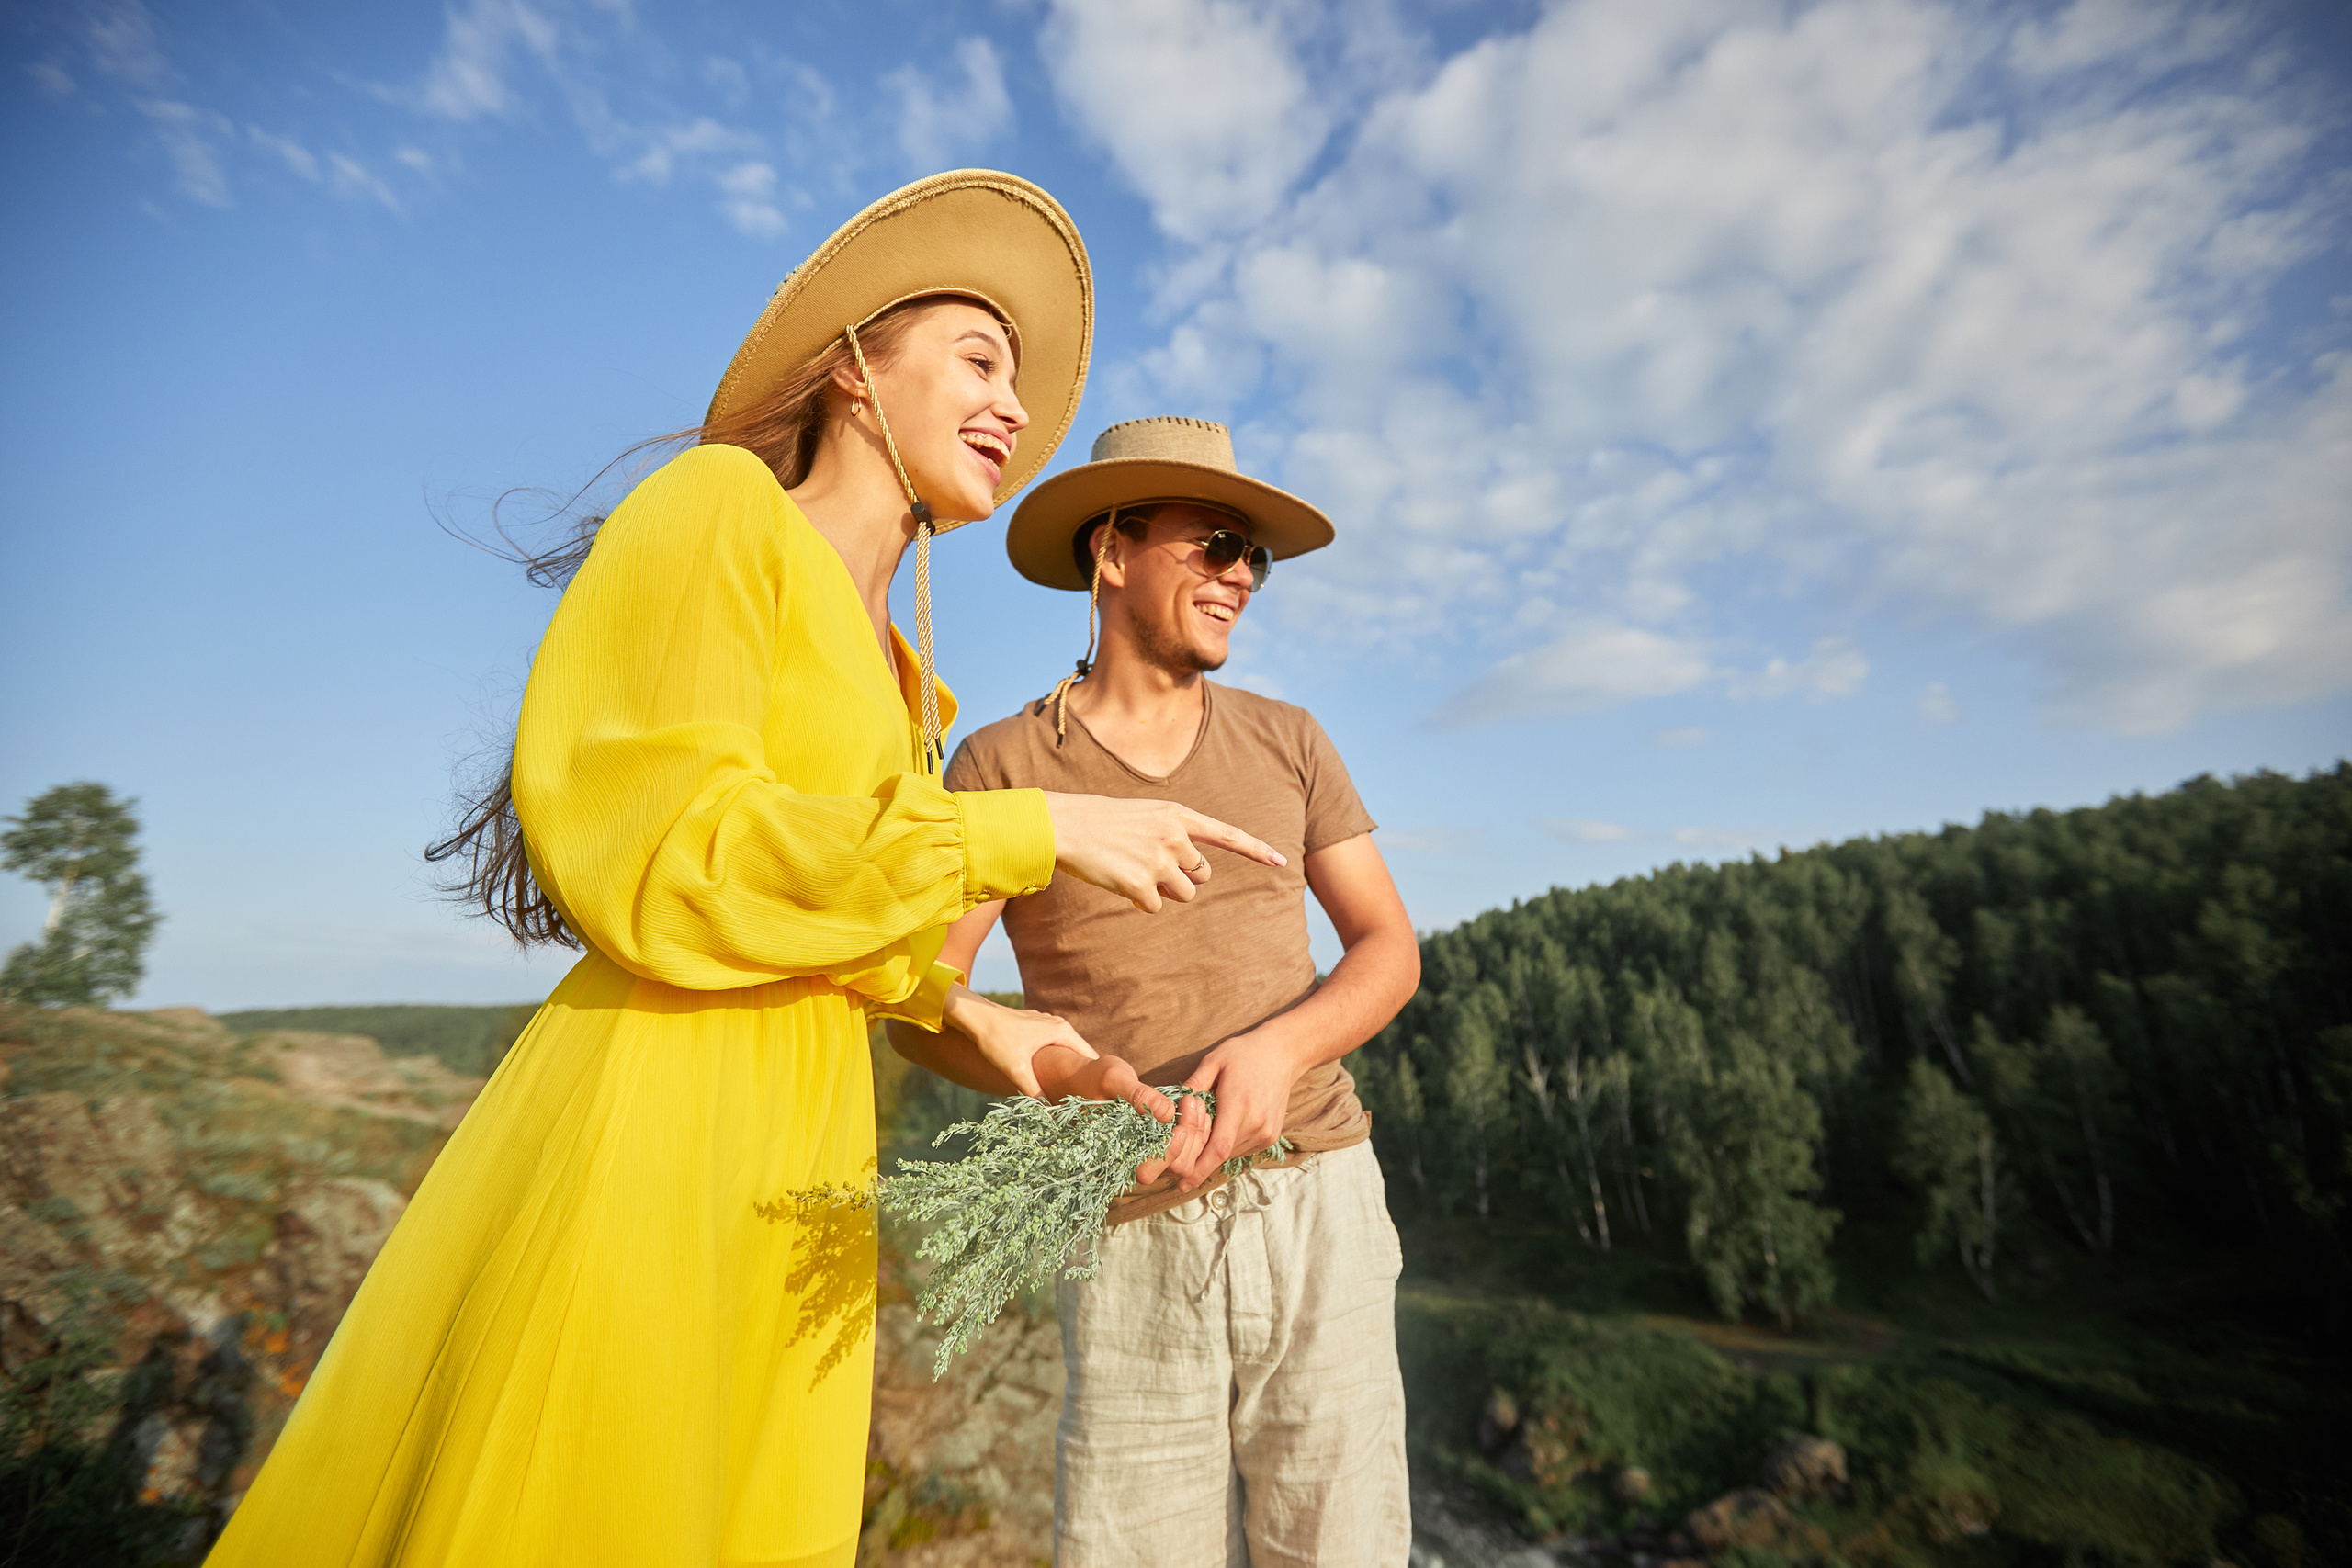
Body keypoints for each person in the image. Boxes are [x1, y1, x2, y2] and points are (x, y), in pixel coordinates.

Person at [206, 175, 1282, 1568]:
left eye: (1016, 381)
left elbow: (838, 936)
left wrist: (1005, 1032)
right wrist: (1030, 829)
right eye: (978, 361)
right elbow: (676, 847)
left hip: (806, 1180)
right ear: (850, 370)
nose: (1014, 407)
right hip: (658, 1126)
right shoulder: (719, 508)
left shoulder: (912, 682)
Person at [890, 417, 1422, 1566]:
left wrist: (1282, 1052)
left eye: (1253, 557)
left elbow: (1387, 947)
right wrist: (1067, 1076)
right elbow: (921, 1001)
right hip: (1126, 1228)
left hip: (1321, 1202)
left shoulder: (1291, 740)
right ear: (1112, 550)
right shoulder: (999, 768)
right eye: (1216, 545)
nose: (1242, 577)